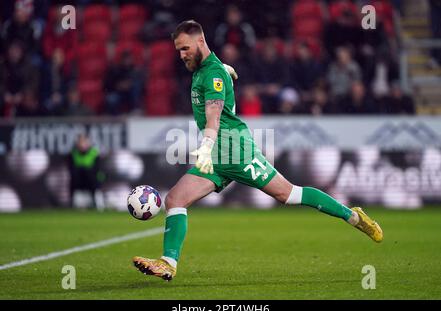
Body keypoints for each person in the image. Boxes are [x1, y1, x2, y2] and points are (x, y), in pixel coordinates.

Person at [133, 20, 383, 281]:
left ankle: (353, 216)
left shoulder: (212, 74)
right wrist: (225, 70)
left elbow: (213, 116)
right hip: (220, 157)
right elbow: (216, 74)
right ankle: (168, 263)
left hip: (236, 152)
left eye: (184, 48)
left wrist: (205, 147)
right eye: (178, 50)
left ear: (200, 42)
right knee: (175, 200)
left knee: (289, 194)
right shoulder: (208, 69)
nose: (181, 55)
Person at [68, 134, 105, 210]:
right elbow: (71, 168)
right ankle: (73, 203)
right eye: (80, 142)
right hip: (79, 180)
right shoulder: (73, 153)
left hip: (92, 179)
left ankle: (97, 203)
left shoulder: (94, 153)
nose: (82, 144)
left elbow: (98, 168)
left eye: (84, 142)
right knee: (75, 176)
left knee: (92, 176)